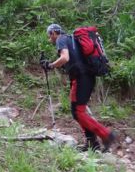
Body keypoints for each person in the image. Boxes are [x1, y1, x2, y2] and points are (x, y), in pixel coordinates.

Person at [45, 23, 116, 152]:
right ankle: (92, 142)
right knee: (77, 111)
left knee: (78, 112)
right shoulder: (72, 39)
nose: (50, 39)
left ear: (53, 33)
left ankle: (106, 135)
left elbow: (65, 58)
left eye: (49, 36)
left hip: (81, 78)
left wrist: (50, 65)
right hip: (86, 77)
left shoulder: (61, 39)